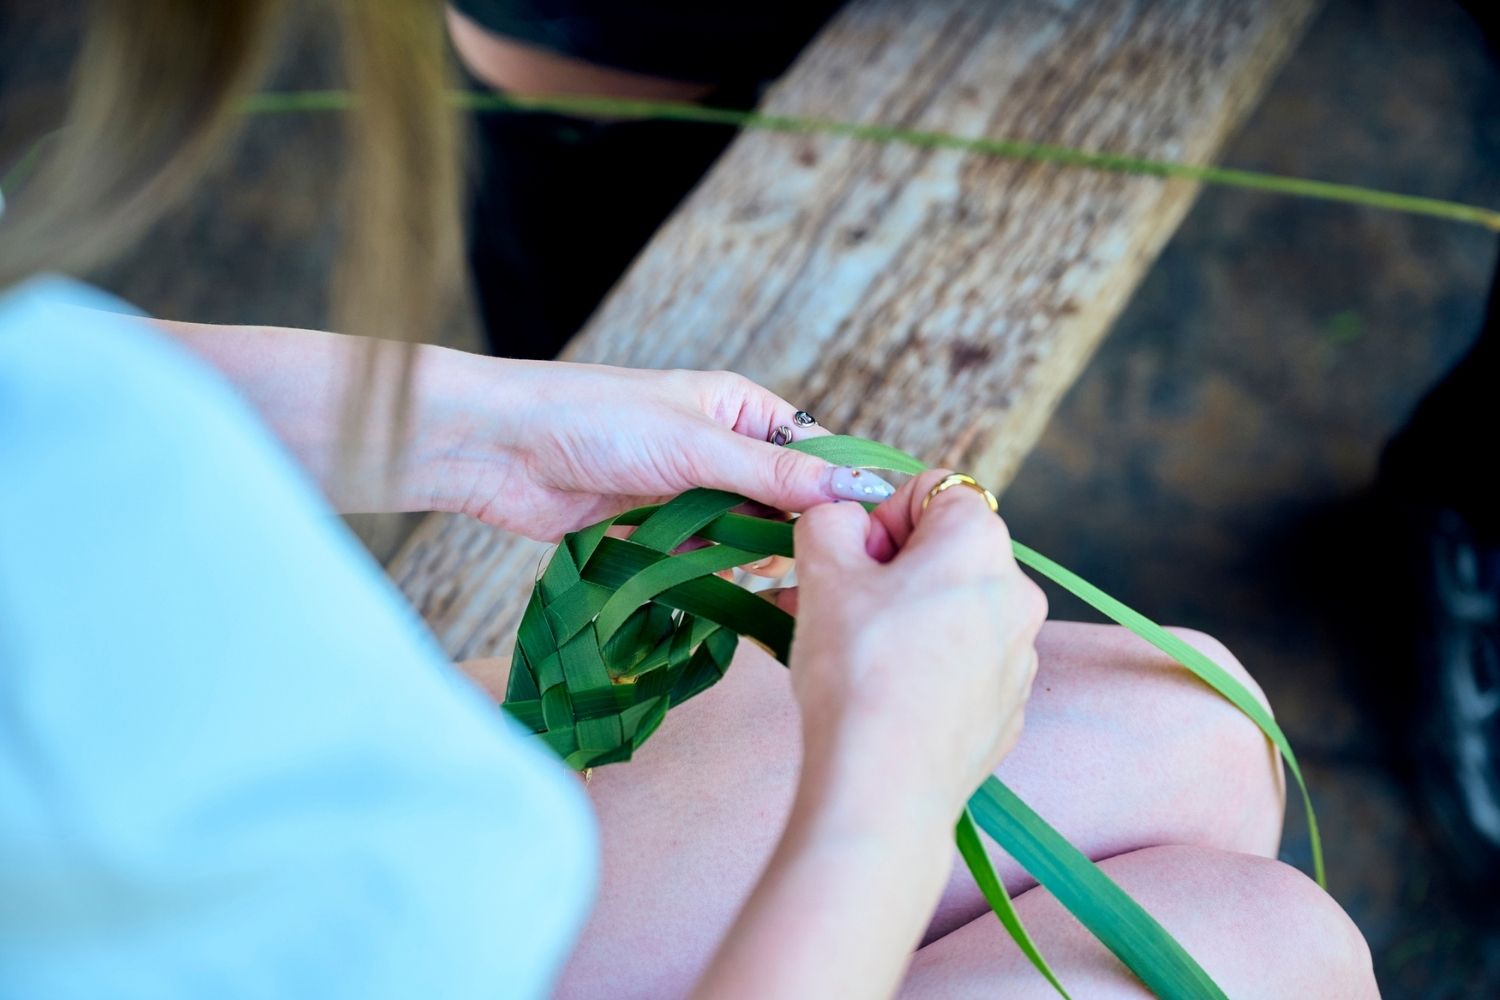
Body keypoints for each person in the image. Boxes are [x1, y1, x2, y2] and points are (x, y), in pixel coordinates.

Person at [0, 3, 1375, 997]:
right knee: (1279, 952)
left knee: (1200, 727)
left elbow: (43, 402)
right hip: (324, 909)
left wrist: (496, 428)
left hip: (297, 824)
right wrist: (887, 783)